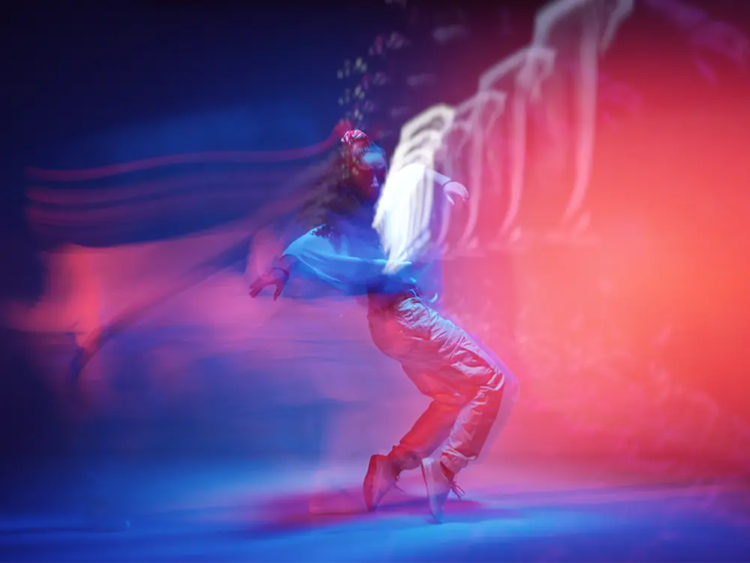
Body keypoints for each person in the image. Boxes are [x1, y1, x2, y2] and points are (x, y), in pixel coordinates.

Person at [249, 129, 519, 522]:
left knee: (451, 396)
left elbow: (415, 174)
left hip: (390, 329)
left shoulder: (384, 200)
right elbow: (305, 245)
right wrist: (280, 270)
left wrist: (446, 183)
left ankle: (390, 466)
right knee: (493, 381)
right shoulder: (344, 225)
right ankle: (445, 469)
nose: (377, 181)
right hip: (407, 319)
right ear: (350, 178)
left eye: (380, 172)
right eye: (368, 175)